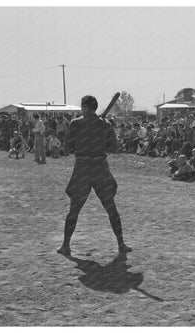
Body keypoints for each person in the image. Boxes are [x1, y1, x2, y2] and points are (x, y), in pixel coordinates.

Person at [57, 95, 132, 256]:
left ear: (84, 107)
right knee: (111, 207)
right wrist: (99, 144)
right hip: (100, 169)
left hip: (82, 168)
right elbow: (114, 149)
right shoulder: (105, 125)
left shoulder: (75, 124)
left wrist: (83, 145)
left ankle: (66, 245)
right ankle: (121, 244)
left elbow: (66, 149)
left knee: (74, 208)